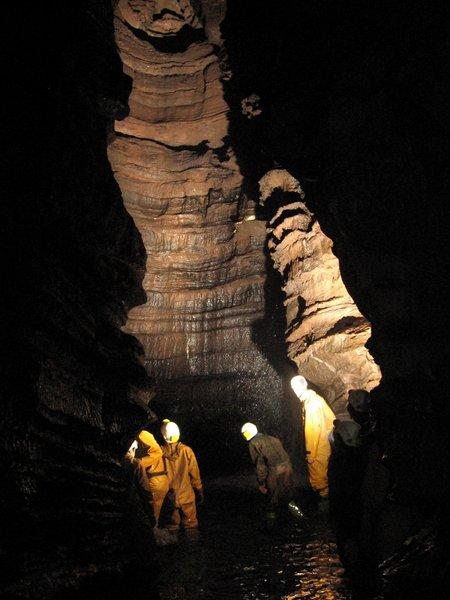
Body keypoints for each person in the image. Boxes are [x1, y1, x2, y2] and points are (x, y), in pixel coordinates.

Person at [241, 422, 302, 522]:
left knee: (272, 496)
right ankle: (299, 516)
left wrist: (261, 483)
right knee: (288, 493)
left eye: (246, 434)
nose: (245, 436)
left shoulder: (254, 443)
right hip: (287, 466)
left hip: (274, 469)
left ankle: (271, 522)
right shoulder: (272, 437)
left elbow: (260, 465)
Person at [291, 375, 335, 498]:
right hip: (324, 442)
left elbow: (312, 429)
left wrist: (310, 453)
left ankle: (324, 509)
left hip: (319, 447)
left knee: (320, 481)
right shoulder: (315, 399)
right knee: (324, 478)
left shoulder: (311, 403)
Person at [161, 420, 203, 532]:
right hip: (187, 496)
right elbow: (195, 474)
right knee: (191, 528)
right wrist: (199, 490)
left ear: (163, 435)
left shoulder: (159, 452)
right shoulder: (187, 451)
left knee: (171, 528)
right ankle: (192, 547)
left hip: (169, 497)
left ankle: (173, 548)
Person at [136, 430, 170, 526]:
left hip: (155, 479)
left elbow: (157, 451)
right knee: (150, 514)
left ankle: (154, 538)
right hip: (155, 478)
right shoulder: (138, 435)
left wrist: (138, 463)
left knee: (151, 515)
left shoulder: (142, 434)